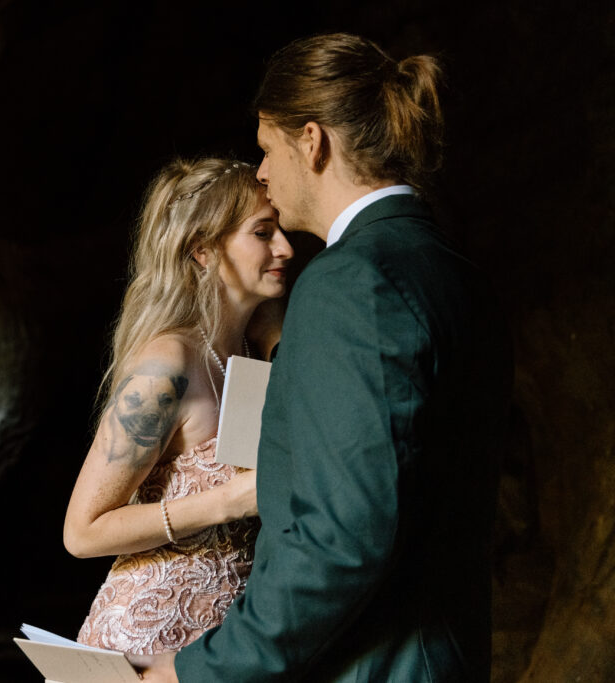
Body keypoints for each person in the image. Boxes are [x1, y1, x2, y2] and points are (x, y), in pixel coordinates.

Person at [133, 33, 512, 681]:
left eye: (266, 148)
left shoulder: (350, 281)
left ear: (312, 141)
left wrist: (204, 668)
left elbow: (342, 538)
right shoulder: (448, 266)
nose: (260, 172)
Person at [64, 157, 295, 654]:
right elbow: (81, 533)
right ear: (204, 250)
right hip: (146, 640)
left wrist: (274, 333)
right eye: (263, 232)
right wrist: (225, 501)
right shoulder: (166, 363)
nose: (286, 248)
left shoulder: (254, 352)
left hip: (222, 647)